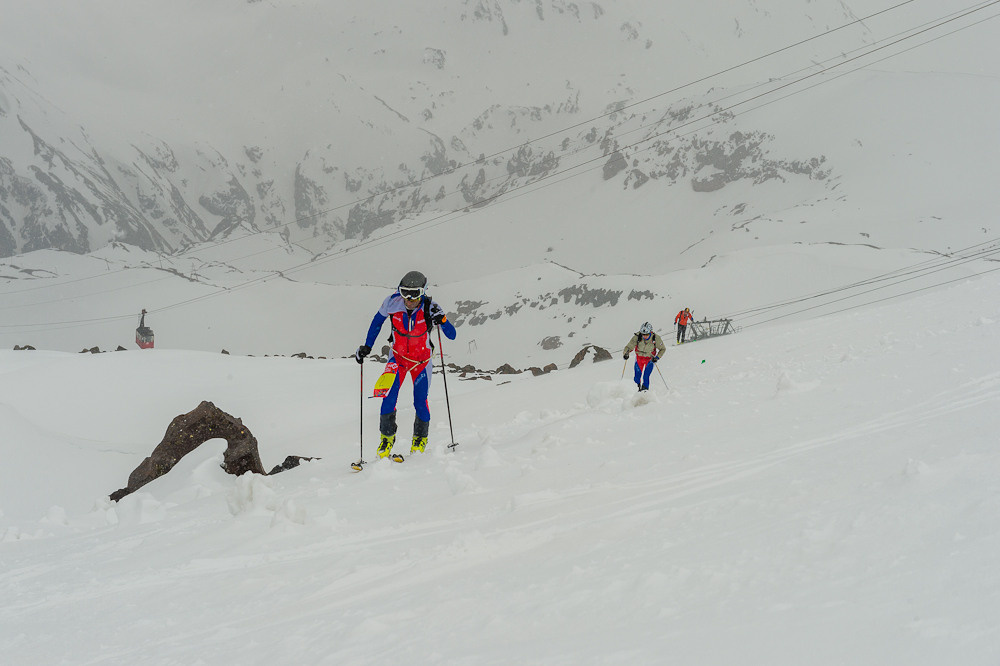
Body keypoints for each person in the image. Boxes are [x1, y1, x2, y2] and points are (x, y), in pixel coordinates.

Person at [355, 270, 457, 458]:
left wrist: (441, 319)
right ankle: (387, 439)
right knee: (388, 397)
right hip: (397, 358)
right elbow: (376, 323)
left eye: (415, 294)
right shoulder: (392, 303)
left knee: (420, 401)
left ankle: (420, 439)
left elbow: (451, 335)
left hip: (421, 362)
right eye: (404, 293)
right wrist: (367, 346)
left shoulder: (431, 307)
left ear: (423, 292)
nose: (409, 299)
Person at [623, 322, 666, 392]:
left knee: (646, 376)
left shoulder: (656, 338)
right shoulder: (637, 337)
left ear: (650, 332)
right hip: (639, 358)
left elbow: (663, 349)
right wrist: (626, 353)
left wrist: (657, 357)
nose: (645, 336)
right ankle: (636, 389)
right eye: (643, 334)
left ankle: (645, 391)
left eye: (647, 334)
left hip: (650, 359)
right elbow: (629, 346)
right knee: (637, 376)